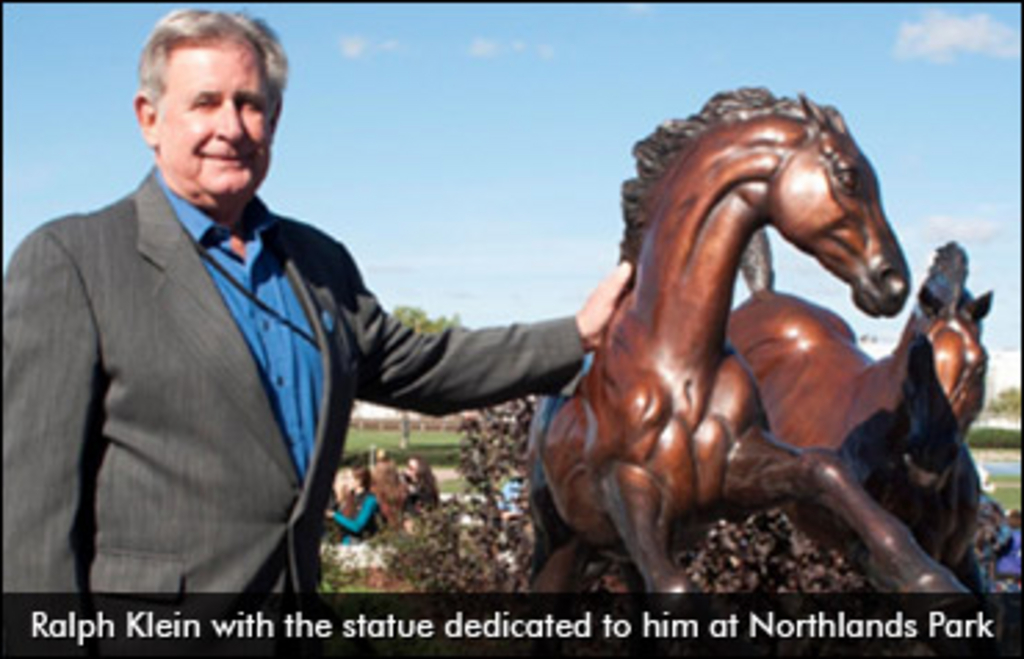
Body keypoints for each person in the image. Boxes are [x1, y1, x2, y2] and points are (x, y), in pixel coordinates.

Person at [3, 8, 632, 598]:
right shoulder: (74, 260)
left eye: (251, 104)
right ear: (148, 117)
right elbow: (30, 510)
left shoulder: (318, 264)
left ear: (274, 121)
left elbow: (426, 365)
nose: (231, 126)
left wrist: (577, 333)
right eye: (205, 102)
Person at [328, 467, 381, 545]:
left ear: (359, 481)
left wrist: (335, 515)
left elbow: (357, 527)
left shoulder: (370, 500)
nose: (346, 482)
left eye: (349, 479)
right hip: (344, 543)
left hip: (361, 546)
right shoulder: (349, 497)